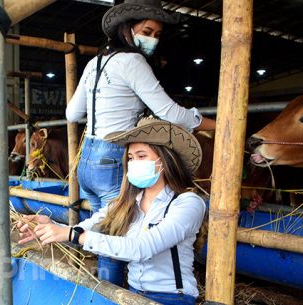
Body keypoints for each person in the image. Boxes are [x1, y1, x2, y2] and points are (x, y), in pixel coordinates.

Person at [17, 119, 206, 305]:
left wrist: (72, 234)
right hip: (132, 294)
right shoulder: (126, 203)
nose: (133, 163)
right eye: (130, 158)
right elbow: (83, 229)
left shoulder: (187, 203)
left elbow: (141, 248)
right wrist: (48, 227)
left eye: (141, 156)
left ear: (164, 160)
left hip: (173, 298)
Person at [66, 0, 215, 213]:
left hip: (86, 163)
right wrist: (213, 124)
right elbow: (170, 113)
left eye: (157, 34)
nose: (152, 39)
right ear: (126, 28)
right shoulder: (133, 61)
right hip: (113, 157)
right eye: (147, 31)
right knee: (118, 233)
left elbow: (72, 114)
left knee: (97, 230)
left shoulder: (95, 63)